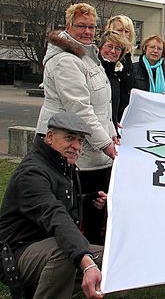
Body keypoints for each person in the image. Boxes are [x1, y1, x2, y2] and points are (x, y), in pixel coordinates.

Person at [0, 112, 105, 298]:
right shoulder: (32, 173)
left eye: (80, 141)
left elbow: (61, 205)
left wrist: (88, 202)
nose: (76, 146)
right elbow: (54, 214)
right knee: (66, 254)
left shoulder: (61, 164)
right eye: (70, 138)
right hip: (17, 252)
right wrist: (86, 262)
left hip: (47, 244)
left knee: (109, 258)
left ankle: (49, 285)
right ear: (49, 137)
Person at [36, 3, 117, 245]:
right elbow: (79, 109)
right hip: (71, 149)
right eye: (81, 26)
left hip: (94, 150)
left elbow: (104, 106)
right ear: (68, 26)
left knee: (95, 209)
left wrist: (111, 135)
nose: (87, 32)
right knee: (72, 211)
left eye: (92, 26)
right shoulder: (66, 61)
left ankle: (92, 259)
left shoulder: (88, 56)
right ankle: (68, 262)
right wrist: (106, 144)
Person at [98, 30, 130, 134]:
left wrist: (113, 120)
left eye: (117, 48)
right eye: (109, 46)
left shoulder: (115, 74)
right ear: (101, 47)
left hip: (109, 131)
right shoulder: (93, 70)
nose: (113, 51)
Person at [105, 15, 136, 121]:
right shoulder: (106, 55)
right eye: (119, 30)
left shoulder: (128, 58)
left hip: (123, 115)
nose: (123, 34)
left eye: (126, 31)